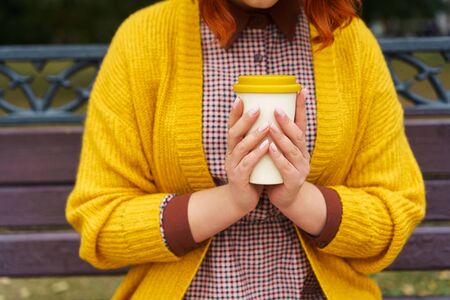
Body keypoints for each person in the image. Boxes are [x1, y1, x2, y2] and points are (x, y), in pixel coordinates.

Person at [65, 0, 426, 299]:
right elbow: (103, 224)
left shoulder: (350, 41)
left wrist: (299, 199)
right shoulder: (143, 38)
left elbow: (392, 212)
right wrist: (231, 201)